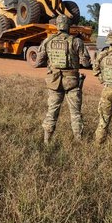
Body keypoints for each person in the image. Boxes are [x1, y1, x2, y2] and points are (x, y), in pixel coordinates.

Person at [35, 14, 91, 144]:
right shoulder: (76, 41)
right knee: (75, 113)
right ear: (68, 26)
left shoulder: (48, 41)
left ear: (57, 25)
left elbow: (38, 61)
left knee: (52, 112)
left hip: (54, 81)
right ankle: (78, 141)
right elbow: (86, 63)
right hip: (72, 81)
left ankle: (47, 141)